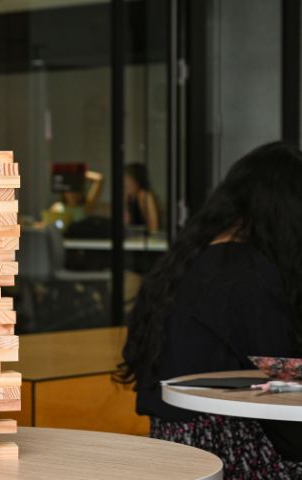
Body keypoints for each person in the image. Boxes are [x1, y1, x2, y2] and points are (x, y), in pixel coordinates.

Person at [118, 142, 302, 479]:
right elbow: (284, 386)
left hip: (172, 444)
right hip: (228, 448)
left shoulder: (183, 262)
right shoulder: (247, 276)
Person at [123, 163, 159, 233]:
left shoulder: (143, 195)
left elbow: (154, 227)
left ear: (134, 180)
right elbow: (126, 222)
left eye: (126, 178)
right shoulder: (131, 198)